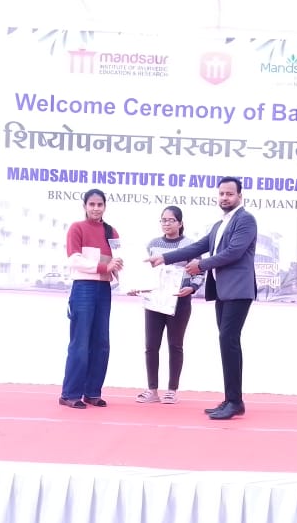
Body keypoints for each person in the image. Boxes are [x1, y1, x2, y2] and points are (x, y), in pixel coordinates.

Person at [149, 177, 257, 420]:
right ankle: (231, 399)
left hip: (238, 291)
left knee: (229, 341)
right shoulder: (220, 225)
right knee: (227, 342)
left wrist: (201, 265)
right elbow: (197, 246)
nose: (224, 198)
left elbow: (234, 252)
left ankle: (235, 401)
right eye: (221, 193)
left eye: (229, 194)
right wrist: (164, 258)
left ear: (240, 196)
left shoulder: (246, 219)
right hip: (223, 291)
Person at [132, 207, 204, 404]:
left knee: (175, 345)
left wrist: (192, 288)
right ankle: (152, 390)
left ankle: (172, 390)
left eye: (171, 220)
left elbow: (199, 271)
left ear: (180, 223)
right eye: (163, 220)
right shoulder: (153, 244)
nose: (166, 223)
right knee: (151, 346)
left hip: (179, 301)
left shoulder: (190, 245)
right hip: (154, 301)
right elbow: (145, 272)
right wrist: (137, 286)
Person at [59, 189, 123, 409]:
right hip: (83, 288)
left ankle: (92, 392)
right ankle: (70, 394)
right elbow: (74, 260)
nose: (96, 208)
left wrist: (132, 284)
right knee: (80, 343)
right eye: (92, 204)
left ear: (105, 206)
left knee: (101, 343)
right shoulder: (77, 228)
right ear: (85, 206)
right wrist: (104, 267)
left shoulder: (111, 232)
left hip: (104, 289)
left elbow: (117, 263)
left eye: (100, 204)